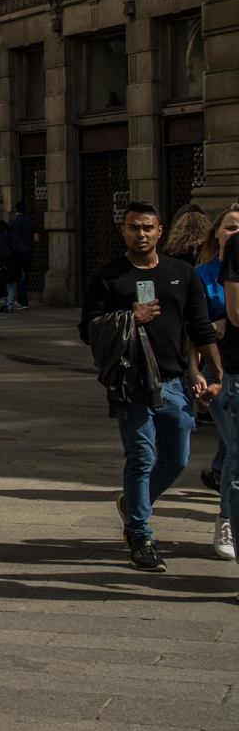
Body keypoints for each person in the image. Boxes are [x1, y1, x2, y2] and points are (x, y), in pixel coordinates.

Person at [81, 201, 220, 573]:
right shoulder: (108, 278)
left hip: (175, 383)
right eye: (133, 228)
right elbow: (87, 329)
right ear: (122, 231)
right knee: (140, 458)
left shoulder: (182, 273)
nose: (140, 234)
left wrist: (216, 374)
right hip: (132, 382)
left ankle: (132, 505)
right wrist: (130, 316)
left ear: (160, 231)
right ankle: (141, 535)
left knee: (176, 460)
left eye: (147, 228)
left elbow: (200, 326)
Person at [201, 205, 239, 558]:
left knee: (230, 448)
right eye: (229, 227)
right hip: (220, 369)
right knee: (232, 447)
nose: (234, 233)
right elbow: (194, 325)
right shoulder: (203, 273)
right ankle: (226, 519)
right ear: (216, 232)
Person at [6, 201, 39, 309]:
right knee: (25, 274)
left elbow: (7, 237)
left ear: (16, 210)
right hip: (28, 252)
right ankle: (22, 298)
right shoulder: (31, 223)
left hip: (16, 253)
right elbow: (37, 239)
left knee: (20, 276)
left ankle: (22, 300)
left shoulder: (11, 222)